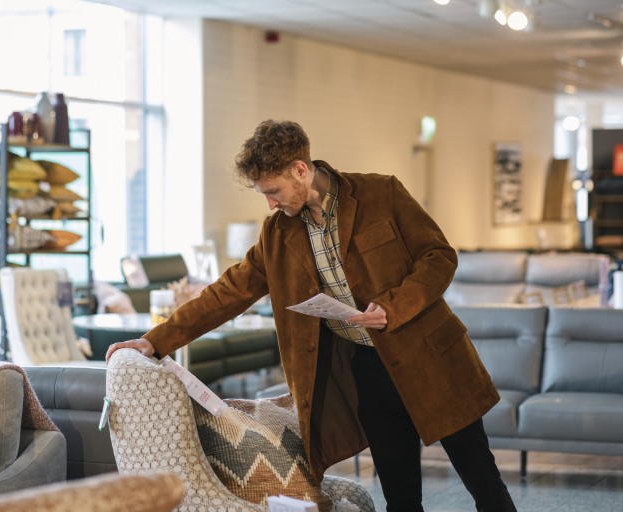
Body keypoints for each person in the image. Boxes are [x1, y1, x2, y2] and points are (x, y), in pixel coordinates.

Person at [106, 119, 517, 512]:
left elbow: (439, 256)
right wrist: (154, 341)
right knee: (400, 498)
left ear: (300, 170)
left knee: (485, 484)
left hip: (431, 359)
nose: (270, 203)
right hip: (369, 369)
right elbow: (228, 292)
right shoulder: (277, 234)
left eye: (273, 190)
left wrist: (394, 306)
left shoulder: (382, 193)